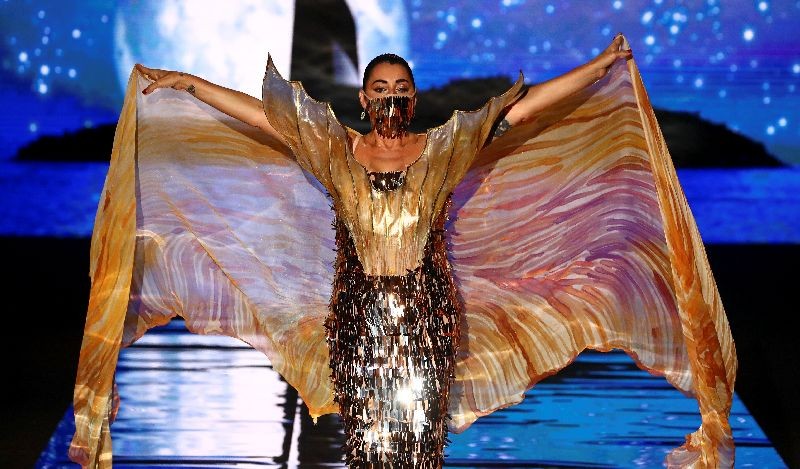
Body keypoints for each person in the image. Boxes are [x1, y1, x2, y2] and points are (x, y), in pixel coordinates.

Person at [69, 34, 736, 468]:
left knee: (418, 448)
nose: (390, 99)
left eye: (400, 90)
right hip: (358, 321)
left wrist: (602, 65)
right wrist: (188, 84)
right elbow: (263, 115)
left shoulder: (445, 148)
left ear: (412, 98)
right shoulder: (333, 148)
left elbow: (521, 112)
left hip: (424, 321)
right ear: (364, 99)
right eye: (379, 90)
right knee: (369, 449)